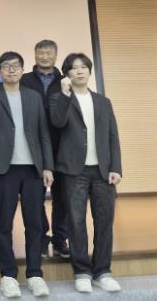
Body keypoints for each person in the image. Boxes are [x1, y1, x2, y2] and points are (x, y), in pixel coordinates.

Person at [0, 52, 54, 298]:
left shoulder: (33, 96)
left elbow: (44, 133)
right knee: (3, 224)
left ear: (23, 69)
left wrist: (47, 167)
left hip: (32, 168)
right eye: (6, 66)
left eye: (16, 66)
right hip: (4, 168)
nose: (11, 70)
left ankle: (34, 274)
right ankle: (8, 275)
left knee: (35, 224)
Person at [50, 53, 123, 293]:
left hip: (103, 171)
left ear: (90, 71)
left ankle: (102, 271)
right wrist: (64, 94)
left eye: (83, 67)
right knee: (76, 221)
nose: (79, 71)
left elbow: (113, 136)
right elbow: (57, 122)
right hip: (73, 170)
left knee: (104, 221)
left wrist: (116, 167)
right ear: (67, 74)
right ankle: (81, 271)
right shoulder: (58, 98)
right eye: (74, 68)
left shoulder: (103, 102)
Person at [20, 40, 69, 259]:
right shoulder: (24, 80)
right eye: (41, 53)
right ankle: (40, 237)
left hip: (63, 145)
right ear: (35, 55)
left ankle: (60, 239)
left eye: (49, 53)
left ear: (56, 55)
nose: (45, 57)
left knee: (63, 196)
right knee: (34, 196)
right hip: (33, 146)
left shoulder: (65, 81)